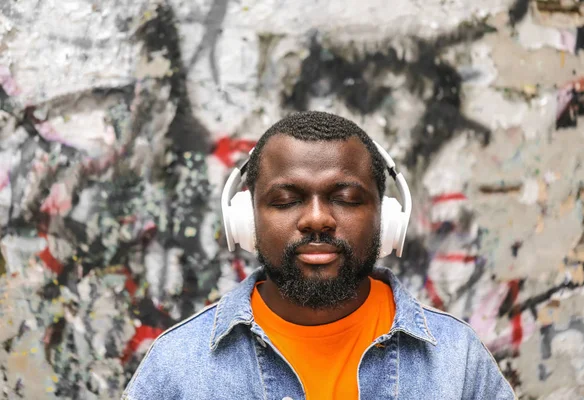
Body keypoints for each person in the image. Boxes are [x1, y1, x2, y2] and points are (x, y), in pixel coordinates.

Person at [122, 111, 516, 400]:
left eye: (345, 199)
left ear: (387, 218)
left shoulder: (455, 357)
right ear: (245, 219)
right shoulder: (177, 366)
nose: (316, 219)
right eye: (287, 200)